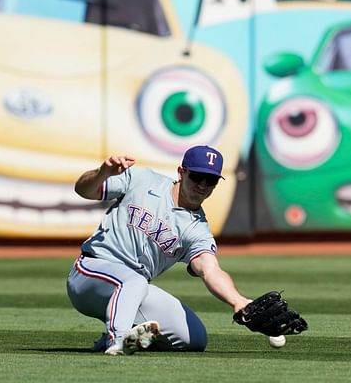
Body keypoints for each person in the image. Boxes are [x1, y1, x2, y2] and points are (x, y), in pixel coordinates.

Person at [67, 145, 253, 355]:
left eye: (210, 180)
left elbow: (210, 270)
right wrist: (102, 173)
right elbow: (83, 190)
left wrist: (238, 301)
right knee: (134, 281)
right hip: (91, 273)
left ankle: (125, 337)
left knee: (194, 338)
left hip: (133, 290)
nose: (202, 185)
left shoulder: (198, 229)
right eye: (197, 176)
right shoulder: (142, 180)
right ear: (181, 172)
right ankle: (117, 340)